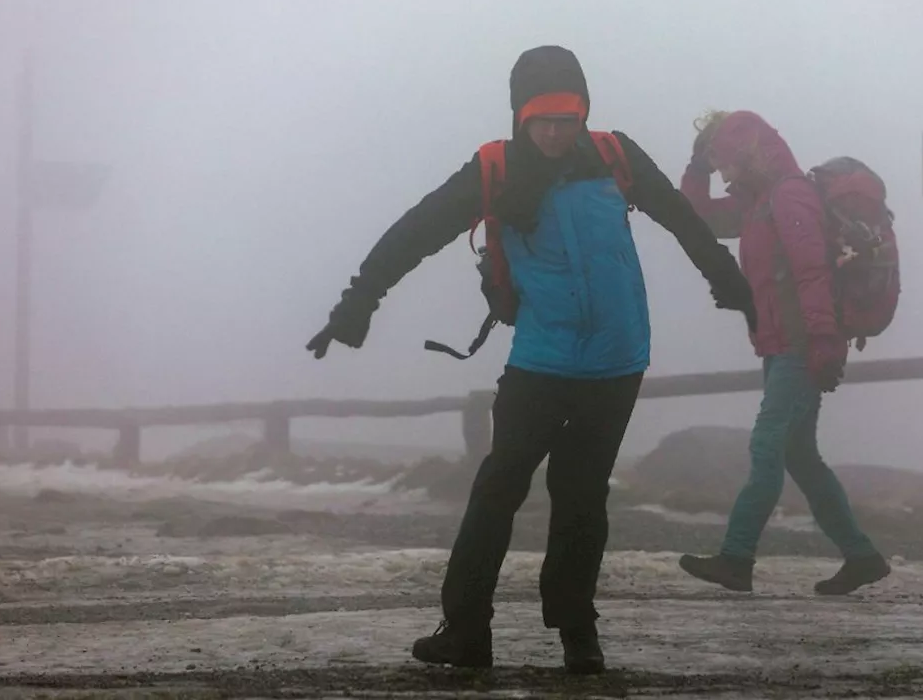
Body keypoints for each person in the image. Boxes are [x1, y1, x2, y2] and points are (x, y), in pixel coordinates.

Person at [306, 47, 755, 674]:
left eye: (566, 117)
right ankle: (466, 632)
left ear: (585, 113)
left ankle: (579, 636)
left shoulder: (614, 156)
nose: (553, 131)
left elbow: (683, 220)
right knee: (498, 490)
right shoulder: (493, 170)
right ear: (520, 116)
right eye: (541, 118)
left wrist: (731, 285)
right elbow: (413, 232)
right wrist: (359, 302)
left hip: (617, 359)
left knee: (581, 497)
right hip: (541, 360)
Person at [676, 110, 891, 596]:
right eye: (717, 164)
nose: (723, 173)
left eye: (724, 161)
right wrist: (697, 169)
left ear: (750, 154)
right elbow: (693, 219)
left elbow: (811, 273)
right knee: (799, 454)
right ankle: (862, 557)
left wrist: (822, 343)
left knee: (767, 444)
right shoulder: (757, 205)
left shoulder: (789, 196)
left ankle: (736, 557)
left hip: (801, 345)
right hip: (782, 345)